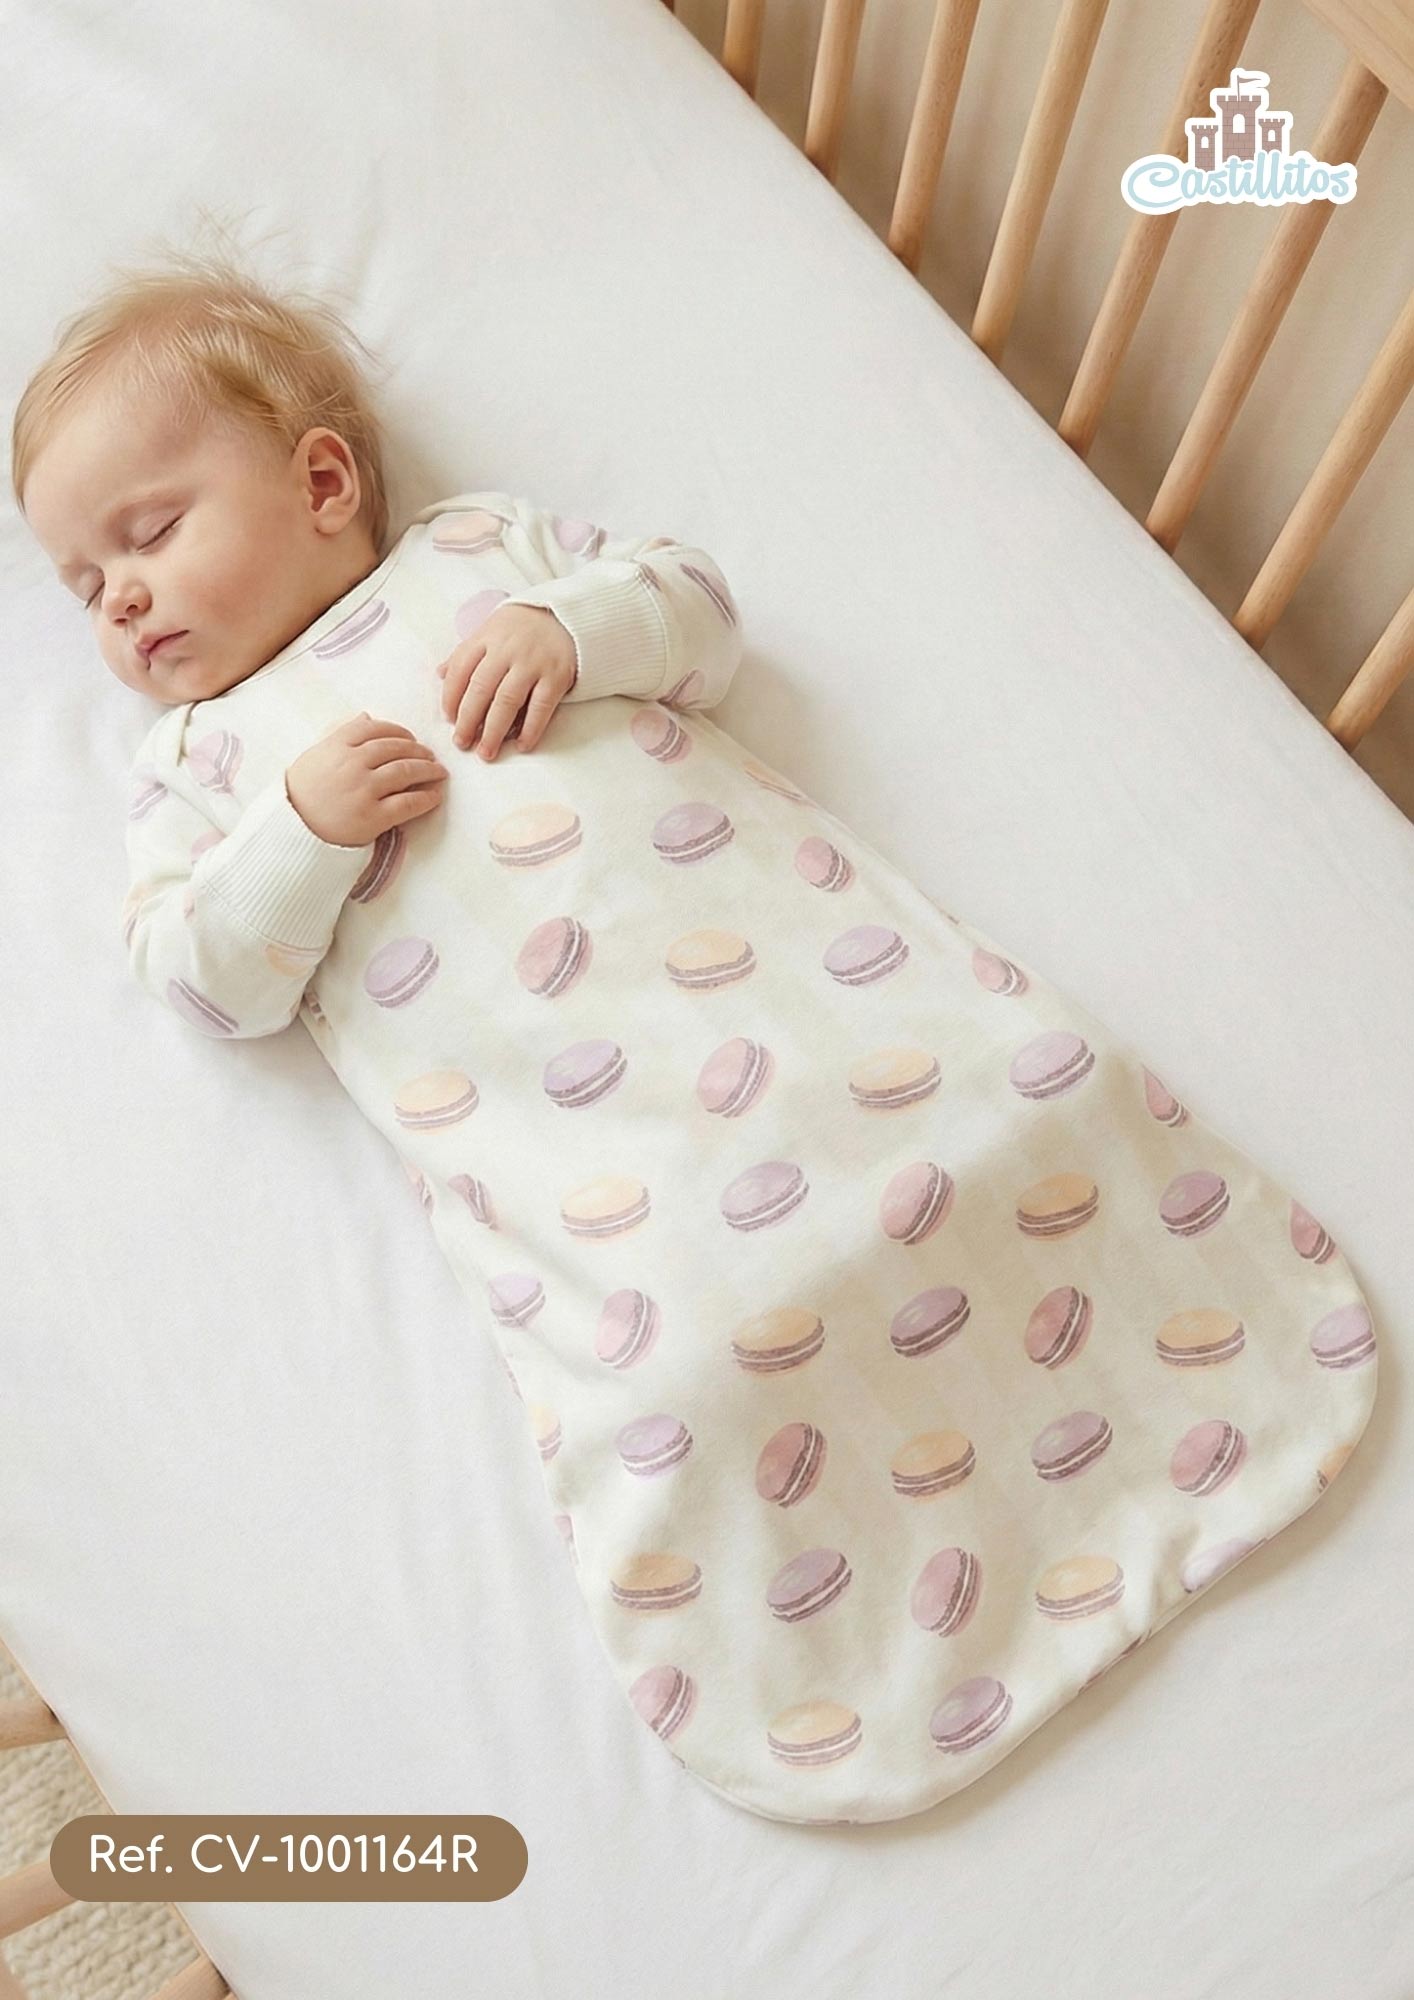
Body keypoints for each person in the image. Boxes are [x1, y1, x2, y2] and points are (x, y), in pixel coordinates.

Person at [8, 248, 1378, 1829]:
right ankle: (866, 1629)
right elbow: (203, 977)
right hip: (594, 1147)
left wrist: (571, 635)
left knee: (1009, 1102)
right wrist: (295, 837)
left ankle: (1179, 1382)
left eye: (146, 534)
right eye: (81, 584)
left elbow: (696, 614)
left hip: (791, 999)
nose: (118, 599)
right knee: (689, 1357)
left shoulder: (478, 555)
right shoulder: (199, 769)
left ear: (322, 483)